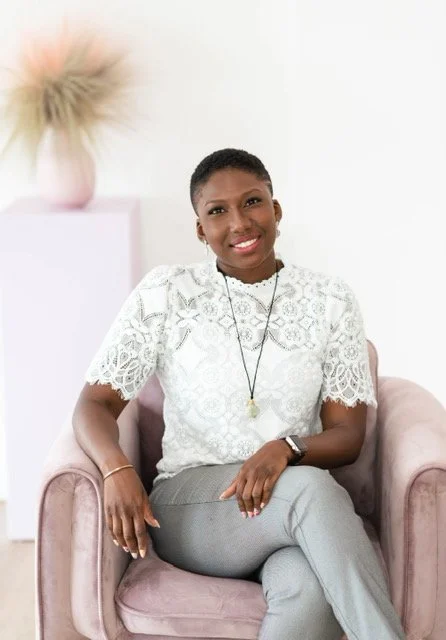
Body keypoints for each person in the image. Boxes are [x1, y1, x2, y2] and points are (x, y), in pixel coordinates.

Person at [73, 148, 406, 640]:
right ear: (200, 229)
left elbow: (348, 436)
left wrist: (286, 448)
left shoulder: (330, 300)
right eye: (217, 211)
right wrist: (115, 468)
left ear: (276, 209)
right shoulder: (167, 293)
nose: (239, 223)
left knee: (308, 590)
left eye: (252, 202)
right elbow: (94, 405)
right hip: (193, 505)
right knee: (312, 490)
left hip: (287, 507)